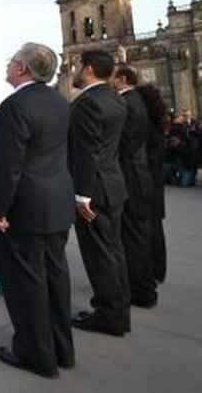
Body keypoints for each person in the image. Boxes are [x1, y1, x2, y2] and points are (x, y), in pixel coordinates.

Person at [0, 42, 75, 379]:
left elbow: (8, 163)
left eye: (12, 60)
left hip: (24, 208)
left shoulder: (15, 106)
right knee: (55, 279)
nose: (8, 64)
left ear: (23, 69)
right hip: (55, 205)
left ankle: (34, 353)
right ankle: (61, 349)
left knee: (25, 284)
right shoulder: (59, 102)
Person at [69, 49, 130, 336]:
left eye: (78, 66)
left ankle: (109, 315)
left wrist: (82, 195)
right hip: (112, 184)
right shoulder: (115, 98)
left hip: (94, 191)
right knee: (113, 251)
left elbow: (87, 152)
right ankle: (118, 311)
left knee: (100, 254)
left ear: (89, 69)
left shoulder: (88, 103)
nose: (75, 71)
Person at [110, 64, 158, 308]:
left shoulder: (127, 102)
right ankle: (142, 286)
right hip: (137, 173)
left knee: (133, 236)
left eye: (112, 76)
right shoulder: (134, 100)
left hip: (130, 175)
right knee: (136, 235)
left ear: (123, 79)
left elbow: (122, 143)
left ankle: (141, 290)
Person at [137, 83, 169, 283]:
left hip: (147, 178)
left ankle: (152, 269)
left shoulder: (147, 123)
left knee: (148, 227)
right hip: (155, 178)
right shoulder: (158, 121)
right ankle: (159, 269)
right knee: (155, 226)